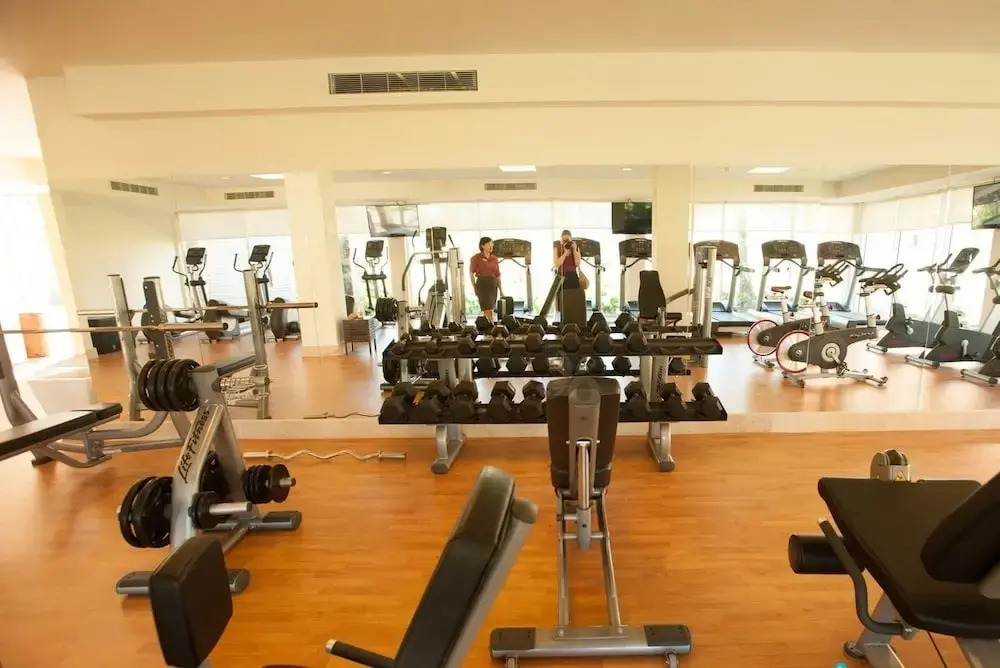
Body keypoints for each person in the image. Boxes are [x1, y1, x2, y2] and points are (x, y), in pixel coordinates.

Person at [470, 236, 501, 322]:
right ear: (482, 246)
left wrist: (501, 289)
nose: (491, 245)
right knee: (487, 308)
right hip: (482, 283)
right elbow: (471, 273)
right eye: (489, 244)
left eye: (492, 244)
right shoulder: (476, 257)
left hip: (492, 284)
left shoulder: (494, 258)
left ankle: (489, 324)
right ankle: (489, 324)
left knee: (491, 308)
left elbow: (497, 275)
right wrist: (474, 287)